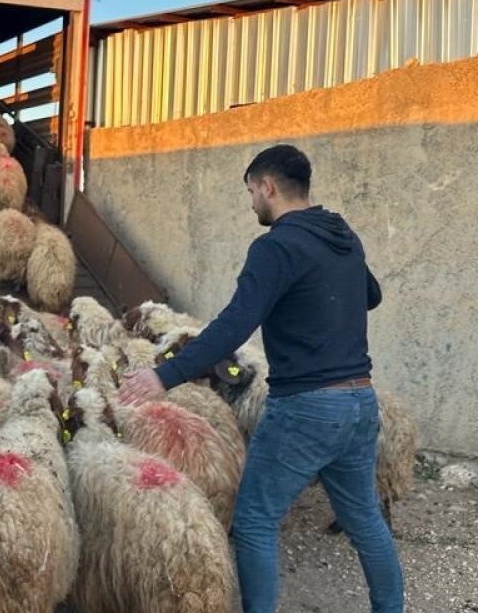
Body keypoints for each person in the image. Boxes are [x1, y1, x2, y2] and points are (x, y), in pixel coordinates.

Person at [117, 144, 403, 613]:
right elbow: (370, 294)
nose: (251, 202)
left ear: (267, 186)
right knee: (366, 519)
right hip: (359, 402)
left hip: (306, 408)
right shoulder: (341, 234)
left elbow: (234, 325)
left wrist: (164, 376)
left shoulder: (275, 247)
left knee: (252, 520)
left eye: (251, 192)